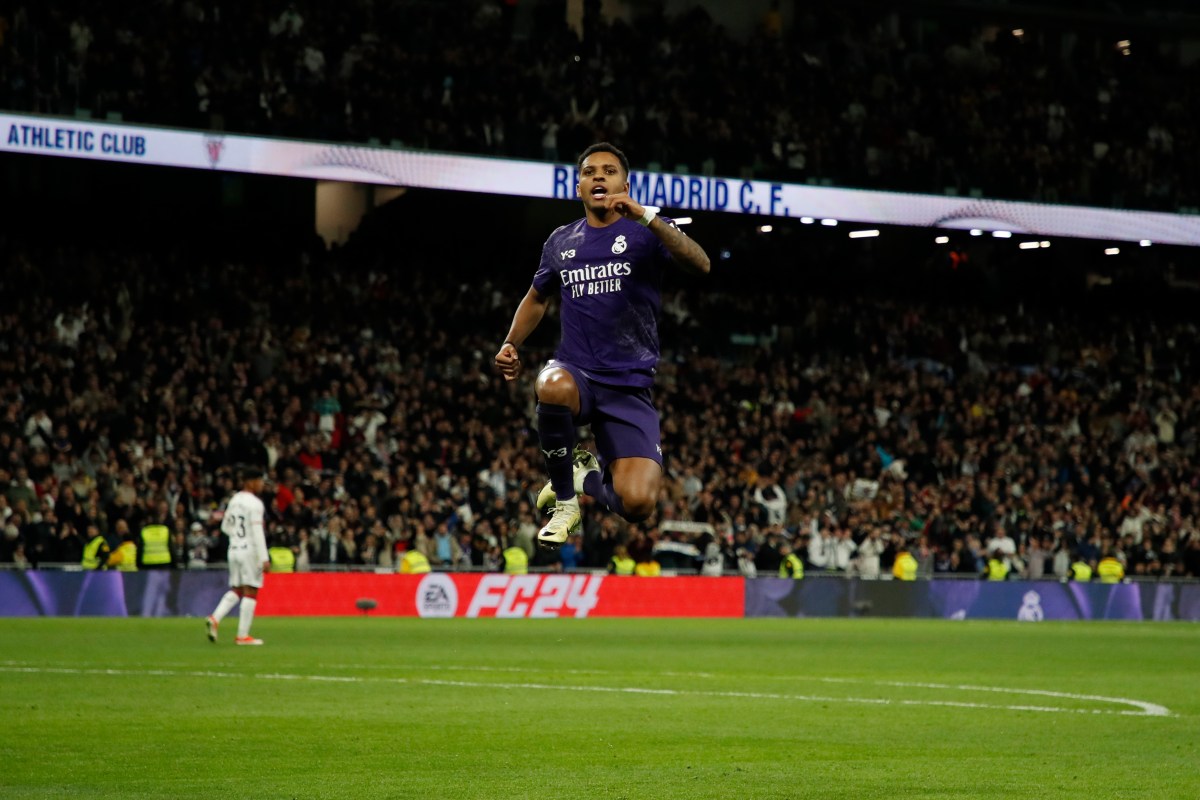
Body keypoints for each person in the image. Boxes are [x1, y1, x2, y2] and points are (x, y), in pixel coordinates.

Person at [495, 142, 710, 549]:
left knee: (638, 503)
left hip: (629, 386)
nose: (598, 176)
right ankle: (565, 502)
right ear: (579, 188)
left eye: (608, 171)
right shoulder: (562, 241)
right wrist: (510, 343)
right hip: (580, 374)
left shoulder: (645, 233)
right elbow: (537, 297)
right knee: (551, 384)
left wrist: (647, 216)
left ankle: (584, 477)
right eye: (589, 172)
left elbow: (701, 263)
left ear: (625, 184)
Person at [206, 468, 270, 646]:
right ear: (250, 482)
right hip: (249, 550)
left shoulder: (234, 500)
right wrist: (264, 557)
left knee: (237, 588)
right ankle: (242, 636)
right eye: (259, 480)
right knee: (251, 590)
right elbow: (257, 532)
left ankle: (215, 618)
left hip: (233, 549)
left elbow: (225, 527)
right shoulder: (255, 503)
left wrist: (237, 537)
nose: (261, 484)